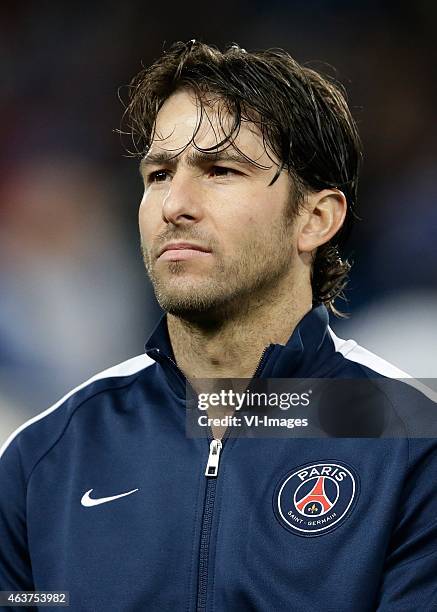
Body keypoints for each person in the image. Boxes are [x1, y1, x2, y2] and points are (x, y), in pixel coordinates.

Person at [0, 41, 436, 611]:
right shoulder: (48, 456)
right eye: (158, 174)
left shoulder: (410, 441)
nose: (174, 204)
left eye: (221, 170)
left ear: (316, 219)